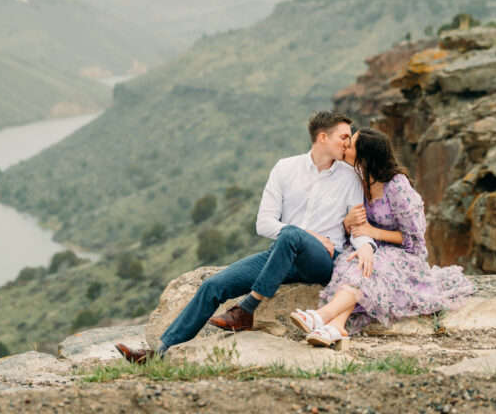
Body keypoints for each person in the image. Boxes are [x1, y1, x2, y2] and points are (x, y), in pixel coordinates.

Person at [115, 111, 376, 363]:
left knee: (292, 235)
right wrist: (310, 235)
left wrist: (366, 247)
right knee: (213, 286)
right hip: (281, 253)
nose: (348, 142)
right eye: (343, 136)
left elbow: (359, 226)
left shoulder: (350, 178)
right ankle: (159, 353)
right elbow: (264, 223)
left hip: (322, 261)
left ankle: (246, 309)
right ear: (322, 138)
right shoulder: (285, 168)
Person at [290, 128, 473, 347]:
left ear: (365, 155)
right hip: (369, 247)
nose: (345, 145)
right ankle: (336, 326)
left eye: (352, 144)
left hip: (403, 256)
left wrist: (374, 232)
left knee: (369, 268)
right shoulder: (358, 180)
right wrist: (348, 223)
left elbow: (414, 239)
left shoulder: (396, 185)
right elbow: (353, 229)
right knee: (353, 265)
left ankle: (320, 316)